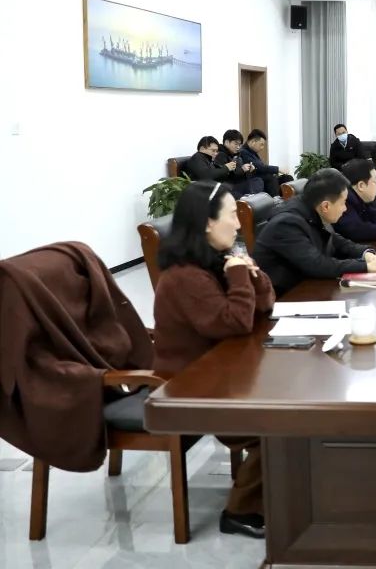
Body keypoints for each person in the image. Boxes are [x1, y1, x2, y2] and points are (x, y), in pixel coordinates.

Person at [151, 180, 274, 539]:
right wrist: (238, 274)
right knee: (281, 425)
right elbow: (235, 322)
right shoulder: (185, 277)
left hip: (219, 371)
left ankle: (277, 491)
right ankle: (240, 512)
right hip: (188, 386)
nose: (238, 224)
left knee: (292, 412)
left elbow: (264, 305)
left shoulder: (212, 260)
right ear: (207, 222)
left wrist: (250, 272)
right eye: (232, 215)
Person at [252, 168, 376, 296]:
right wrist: (364, 266)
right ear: (326, 206)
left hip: (307, 286)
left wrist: (365, 254)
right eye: (343, 203)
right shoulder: (287, 224)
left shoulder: (311, 207)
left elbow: (333, 239)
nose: (345, 209)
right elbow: (317, 265)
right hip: (284, 298)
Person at [239, 129, 291, 197]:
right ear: (253, 142)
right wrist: (277, 169)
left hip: (264, 179)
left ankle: (291, 199)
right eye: (261, 145)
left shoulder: (253, 152)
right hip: (253, 181)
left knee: (287, 178)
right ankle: (276, 200)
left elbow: (262, 166)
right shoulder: (243, 152)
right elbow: (258, 167)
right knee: (270, 178)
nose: (262, 148)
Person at [215, 129, 257, 197]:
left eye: (240, 144)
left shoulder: (236, 156)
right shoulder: (220, 155)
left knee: (257, 180)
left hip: (236, 186)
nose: (238, 147)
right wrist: (242, 170)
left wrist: (248, 170)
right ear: (227, 142)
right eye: (236, 144)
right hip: (226, 188)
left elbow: (240, 175)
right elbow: (225, 178)